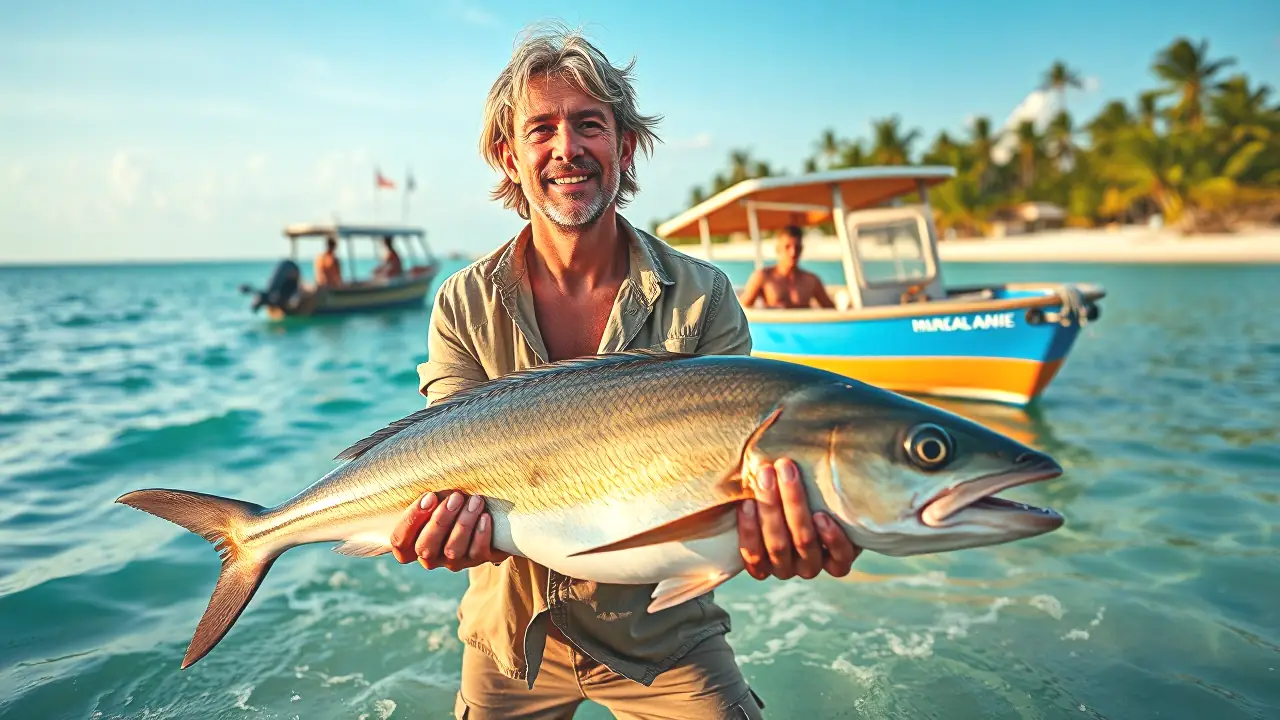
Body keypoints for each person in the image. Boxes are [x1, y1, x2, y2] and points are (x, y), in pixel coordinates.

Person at [401, 23, 861, 719]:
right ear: (508, 154)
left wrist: (778, 536)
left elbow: (740, 483)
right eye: (541, 129)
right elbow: (444, 465)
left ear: (625, 144)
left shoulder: (705, 297)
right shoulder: (462, 302)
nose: (567, 149)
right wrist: (439, 527)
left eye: (590, 124)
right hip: (509, 639)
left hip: (665, 635)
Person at [738, 226, 836, 309]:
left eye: (797, 248)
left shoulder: (811, 280)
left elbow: (832, 311)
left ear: (801, 249)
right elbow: (741, 310)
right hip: (773, 330)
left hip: (803, 329)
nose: (793, 253)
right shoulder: (763, 277)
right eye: (787, 247)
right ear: (778, 249)